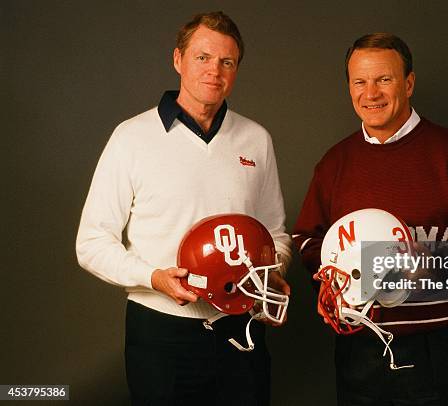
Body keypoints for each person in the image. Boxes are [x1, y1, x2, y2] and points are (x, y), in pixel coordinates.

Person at [76, 11, 291, 406]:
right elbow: (90, 242)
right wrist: (152, 276)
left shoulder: (256, 139)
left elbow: (276, 231)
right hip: (160, 334)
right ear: (178, 60)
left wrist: (270, 269)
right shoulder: (131, 137)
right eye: (203, 58)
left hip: (239, 327)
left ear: (237, 69)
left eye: (227, 62)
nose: (215, 70)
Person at [293, 33, 448, 405]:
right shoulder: (335, 163)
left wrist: (430, 262)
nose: (371, 93)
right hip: (360, 348)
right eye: (359, 82)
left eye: (384, 79)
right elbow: (306, 240)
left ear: (409, 83)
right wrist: (334, 279)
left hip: (440, 349)